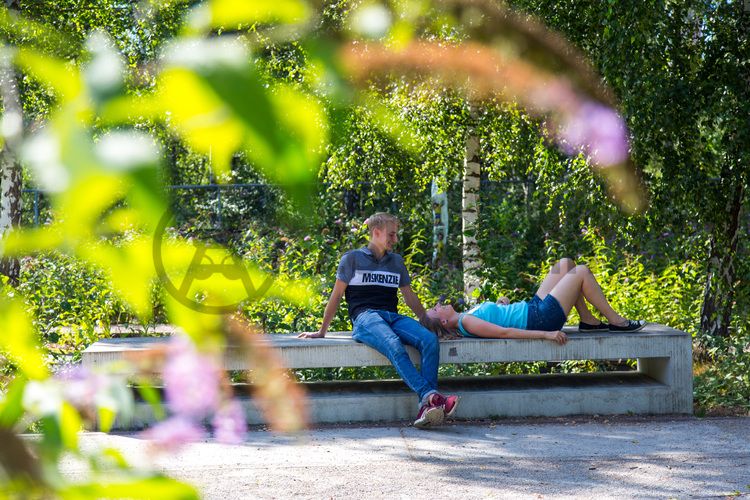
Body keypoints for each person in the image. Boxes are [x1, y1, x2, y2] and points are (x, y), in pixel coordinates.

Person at [298, 212, 458, 428]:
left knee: (429, 340)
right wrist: (322, 331)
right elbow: (336, 296)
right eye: (391, 235)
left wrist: (430, 324)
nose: (396, 239)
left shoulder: (396, 262)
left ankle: (428, 407)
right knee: (394, 344)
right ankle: (431, 397)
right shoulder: (352, 259)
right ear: (376, 232)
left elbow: (409, 297)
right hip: (365, 318)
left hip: (392, 317)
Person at [420, 258, 646, 342]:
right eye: (435, 310)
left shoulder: (465, 316)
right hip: (540, 320)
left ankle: (588, 321)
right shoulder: (466, 322)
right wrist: (547, 335)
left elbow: (499, 321)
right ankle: (617, 322)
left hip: (532, 309)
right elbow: (505, 333)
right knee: (581, 272)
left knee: (565, 264)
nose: (438, 305)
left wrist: (500, 306)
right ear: (442, 322)